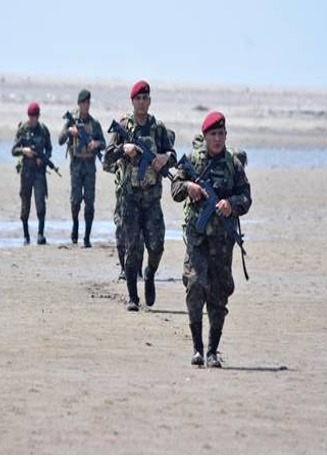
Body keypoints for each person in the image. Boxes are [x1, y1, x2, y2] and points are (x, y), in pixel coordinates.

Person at [171, 112, 252, 368]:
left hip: (222, 242)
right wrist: (189, 188)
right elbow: (175, 189)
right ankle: (197, 349)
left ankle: (213, 351)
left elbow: (246, 197)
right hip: (197, 238)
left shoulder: (233, 165)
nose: (217, 139)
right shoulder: (193, 160)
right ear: (205, 136)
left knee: (218, 295)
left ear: (226, 136)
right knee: (195, 286)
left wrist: (232, 204)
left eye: (221, 134)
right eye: (212, 134)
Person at [104, 81, 176, 312]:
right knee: (133, 247)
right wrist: (122, 149)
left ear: (150, 101)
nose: (142, 102)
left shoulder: (158, 128)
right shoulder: (123, 126)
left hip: (152, 198)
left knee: (156, 246)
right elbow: (106, 159)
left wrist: (164, 158)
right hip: (130, 198)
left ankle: (150, 273)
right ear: (132, 101)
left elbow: (173, 154)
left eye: (146, 98)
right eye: (138, 98)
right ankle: (133, 297)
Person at [59, 89, 106, 248]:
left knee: (90, 202)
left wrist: (96, 144)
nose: (86, 106)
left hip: (90, 166)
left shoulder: (94, 123)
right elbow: (60, 140)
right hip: (76, 165)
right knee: (75, 200)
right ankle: (75, 226)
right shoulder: (72, 122)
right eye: (83, 103)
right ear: (79, 104)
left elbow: (104, 143)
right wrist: (69, 131)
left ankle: (86, 236)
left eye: (88, 103)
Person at [12, 102, 53, 245]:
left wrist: (43, 160)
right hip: (26, 173)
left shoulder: (43, 130)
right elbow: (14, 150)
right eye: (30, 116)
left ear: (38, 116)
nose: (32, 119)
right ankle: (26, 235)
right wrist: (24, 151)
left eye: (34, 116)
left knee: (40, 203)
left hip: (39, 173)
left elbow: (49, 149)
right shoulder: (23, 129)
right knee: (25, 204)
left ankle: (41, 234)